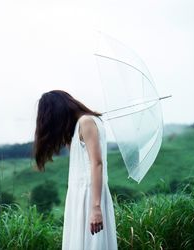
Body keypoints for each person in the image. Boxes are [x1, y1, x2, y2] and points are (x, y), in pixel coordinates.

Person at [33, 90, 118, 250]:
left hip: (89, 194)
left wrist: (96, 207)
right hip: (80, 194)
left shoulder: (86, 122)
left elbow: (97, 163)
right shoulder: (82, 124)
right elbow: (80, 159)